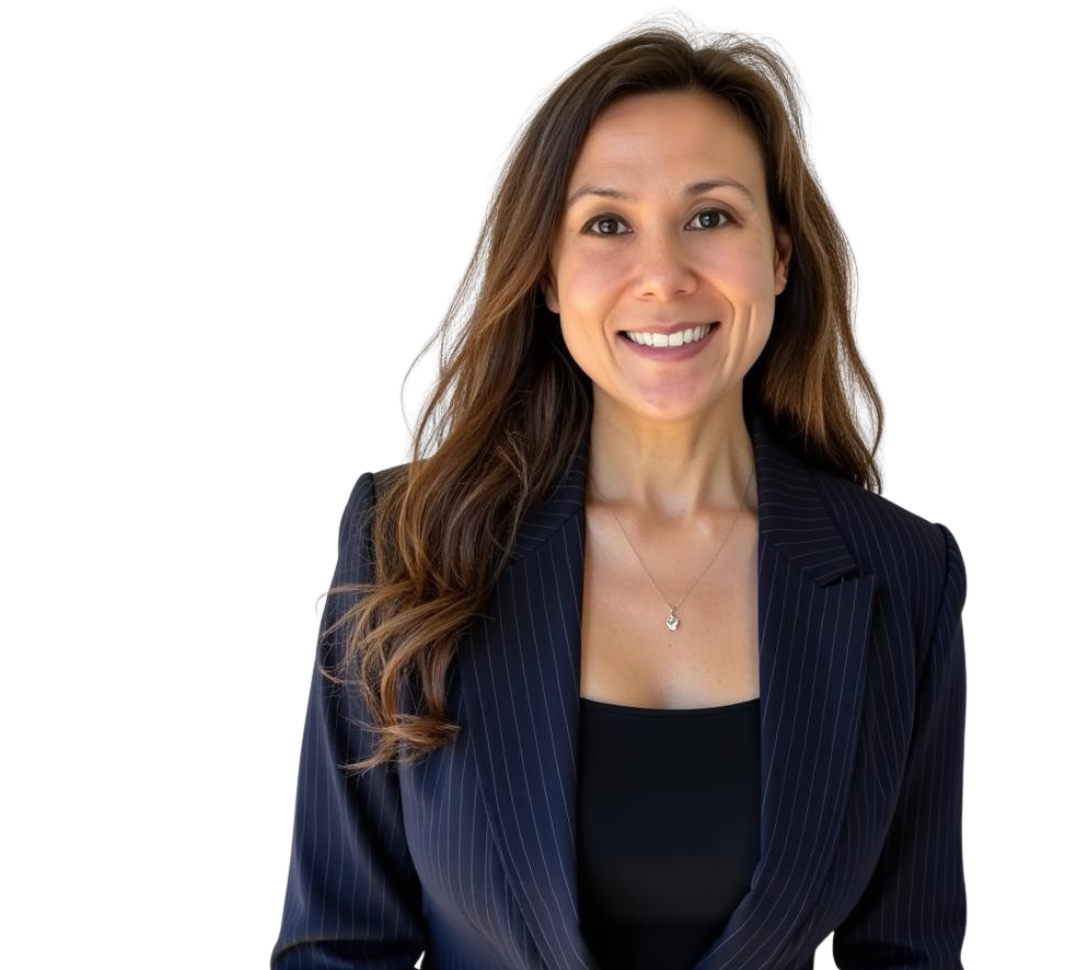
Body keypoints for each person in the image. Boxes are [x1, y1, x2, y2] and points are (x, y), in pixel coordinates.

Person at [270, 27, 967, 970]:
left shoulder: (906, 574)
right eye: (606, 223)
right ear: (548, 275)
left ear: (782, 259)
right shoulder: (408, 543)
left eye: (712, 216)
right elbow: (339, 945)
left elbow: (906, 953)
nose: (664, 275)